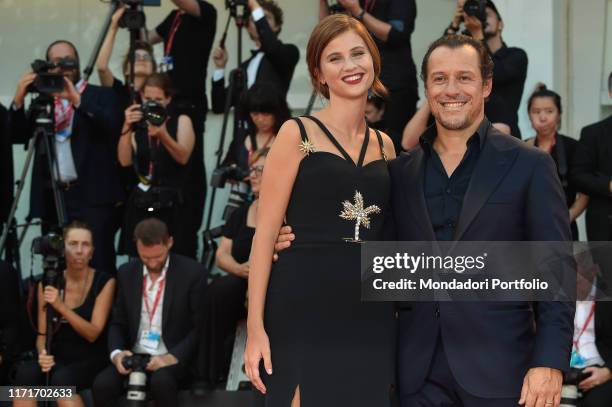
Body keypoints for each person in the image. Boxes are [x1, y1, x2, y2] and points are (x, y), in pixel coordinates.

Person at [275, 34, 574, 407]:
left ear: (486, 85)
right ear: (426, 88)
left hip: (503, 373)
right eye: (439, 79)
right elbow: (368, 251)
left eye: (464, 78)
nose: (452, 90)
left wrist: (549, 360)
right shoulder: (399, 172)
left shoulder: (530, 165)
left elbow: (556, 269)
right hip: (415, 376)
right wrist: (292, 241)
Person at [245, 14, 396, 406]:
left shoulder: (386, 146)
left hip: (368, 317)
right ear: (319, 73)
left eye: (358, 53)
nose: (350, 66)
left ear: (373, 61)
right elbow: (264, 236)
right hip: (301, 308)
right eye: (335, 58)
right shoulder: (296, 134)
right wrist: (255, 327)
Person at [9, 40, 123, 273]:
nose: (63, 67)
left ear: (79, 62)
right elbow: (18, 135)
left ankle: (101, 309)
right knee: (55, 264)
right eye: (56, 62)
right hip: (53, 195)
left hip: (92, 198)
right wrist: (19, 98)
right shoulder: (43, 102)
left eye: (69, 60)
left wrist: (76, 99)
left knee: (98, 263)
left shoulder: (101, 95)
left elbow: (111, 127)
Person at [92, 218, 205, 407]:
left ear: (169, 242)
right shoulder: (127, 272)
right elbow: (118, 322)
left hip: (171, 354)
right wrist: (117, 353)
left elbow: (200, 327)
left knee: (161, 382)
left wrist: (172, 357)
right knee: (102, 385)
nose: (152, 262)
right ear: (136, 246)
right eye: (146, 257)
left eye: (158, 256)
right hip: (135, 354)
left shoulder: (192, 272)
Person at [13, 222, 115, 407]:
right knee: (25, 376)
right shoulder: (48, 281)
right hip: (57, 355)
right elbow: (42, 335)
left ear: (92, 251)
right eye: (73, 244)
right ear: (62, 248)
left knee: (62, 382)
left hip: (90, 356)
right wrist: (42, 353)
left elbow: (93, 333)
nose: (79, 250)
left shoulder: (105, 282)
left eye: (85, 245)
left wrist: (61, 307)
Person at [148, 0, 217, 258]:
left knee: (187, 172)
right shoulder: (173, 17)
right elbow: (146, 38)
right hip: (167, 102)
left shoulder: (205, 12)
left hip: (188, 105)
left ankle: (185, 237)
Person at [197, 147, 268, 387]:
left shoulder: (288, 210)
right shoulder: (240, 213)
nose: (254, 175)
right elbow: (222, 255)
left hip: (273, 280)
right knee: (218, 290)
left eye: (260, 169)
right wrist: (242, 270)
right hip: (242, 278)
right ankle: (207, 375)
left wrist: (259, 272)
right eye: (252, 170)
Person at [320, 0, 419, 152]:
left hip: (396, 85)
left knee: (395, 147)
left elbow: (396, 35)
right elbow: (325, 35)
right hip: (361, 82)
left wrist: (358, 11)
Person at [118, 73, 195, 257]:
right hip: (142, 201)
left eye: (158, 99)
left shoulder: (181, 120)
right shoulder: (138, 124)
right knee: (138, 256)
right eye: (148, 98)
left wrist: (162, 135)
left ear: (168, 99)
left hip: (172, 203)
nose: (152, 103)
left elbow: (183, 156)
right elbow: (124, 160)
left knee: (174, 257)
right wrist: (126, 126)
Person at [447, 0, 528, 138]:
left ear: (500, 24)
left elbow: (494, 73)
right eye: (479, 13)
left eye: (487, 15)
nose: (482, 18)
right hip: (469, 133)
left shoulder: (516, 55)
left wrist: (478, 35)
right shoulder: (469, 58)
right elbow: (443, 58)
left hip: (505, 133)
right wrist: (455, 24)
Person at [525, 84, 588, 240]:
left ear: (559, 114)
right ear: (529, 116)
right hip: (529, 230)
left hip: (563, 228)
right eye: (536, 112)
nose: (543, 117)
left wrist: (567, 217)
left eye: (549, 111)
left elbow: (585, 193)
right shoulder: (521, 147)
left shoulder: (573, 147)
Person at [571, 71, 612, 299]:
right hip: (605, 224)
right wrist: (609, 186)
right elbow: (578, 175)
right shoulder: (593, 133)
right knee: (608, 287)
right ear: (610, 93)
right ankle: (605, 336)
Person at [567, 244, 612, 407]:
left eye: (577, 280)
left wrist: (608, 372)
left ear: (593, 271)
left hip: (599, 367)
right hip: (563, 367)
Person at [97, 6, 157, 111]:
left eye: (146, 57)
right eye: (136, 57)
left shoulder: (158, 93)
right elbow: (102, 67)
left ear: (153, 68)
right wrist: (114, 26)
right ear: (126, 69)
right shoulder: (118, 90)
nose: (141, 59)